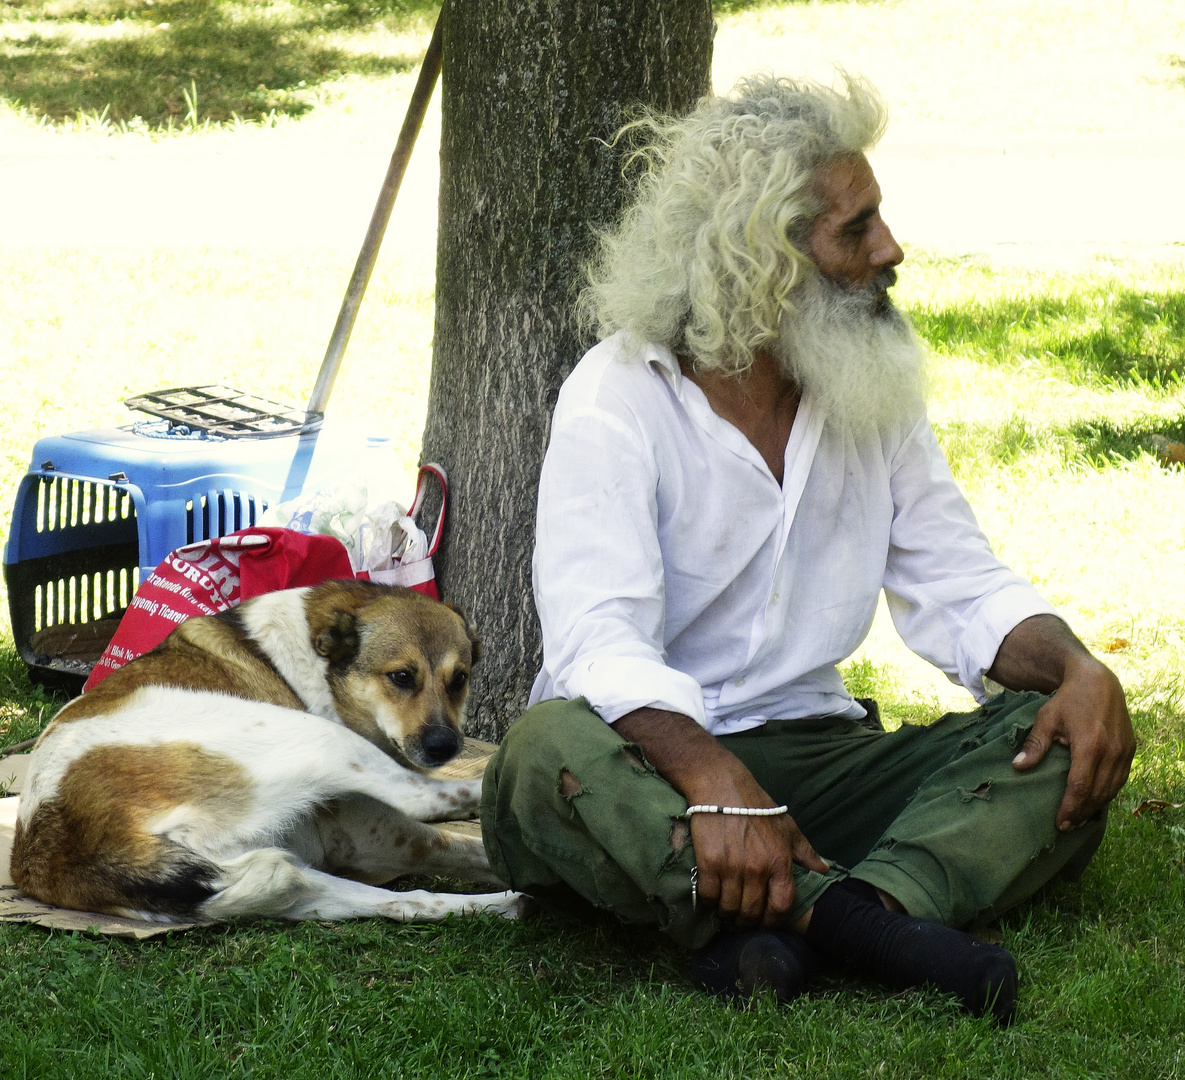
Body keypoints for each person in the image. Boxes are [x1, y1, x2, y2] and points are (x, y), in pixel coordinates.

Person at [478, 74, 1135, 1025]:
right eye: (854, 230)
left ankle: (805, 921)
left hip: (820, 757)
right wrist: (714, 782)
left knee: (1056, 734)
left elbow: (957, 584)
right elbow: (597, 642)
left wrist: (1073, 666)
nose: (889, 250)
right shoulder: (616, 394)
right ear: (764, 258)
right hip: (649, 763)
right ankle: (866, 927)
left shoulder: (864, 388)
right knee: (539, 757)